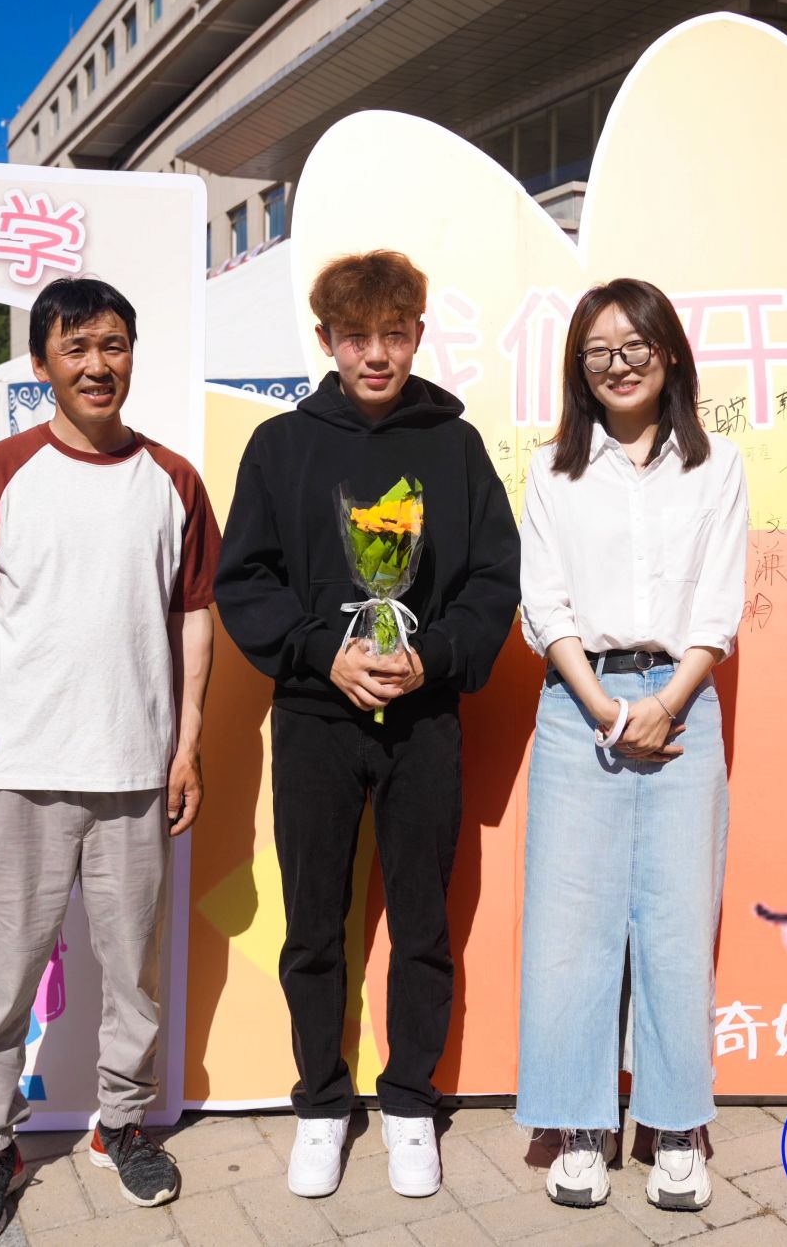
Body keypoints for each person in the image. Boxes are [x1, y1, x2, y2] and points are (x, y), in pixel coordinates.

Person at [216, 250, 520, 1201]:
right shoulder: (280, 446)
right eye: (356, 337)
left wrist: (436, 655)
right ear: (327, 341)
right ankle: (320, 1102)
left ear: (419, 335)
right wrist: (323, 652)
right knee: (313, 920)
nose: (376, 354)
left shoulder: (455, 447)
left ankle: (411, 1101)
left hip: (425, 719)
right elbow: (245, 579)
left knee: (424, 921)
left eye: (394, 334)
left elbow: (494, 578)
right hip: (315, 717)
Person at [0, 277, 219, 1243]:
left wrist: (186, 744)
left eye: (114, 345)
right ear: (42, 362)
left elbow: (194, 618)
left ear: (133, 352)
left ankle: (122, 1125)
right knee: (2, 975)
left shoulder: (174, 480)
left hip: (136, 769)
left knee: (134, 971)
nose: (98, 365)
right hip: (18, 772)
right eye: (77, 347)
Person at [514, 278, 748, 1213]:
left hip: (684, 702)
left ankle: (675, 1126)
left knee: (677, 919)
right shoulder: (552, 470)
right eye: (598, 351)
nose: (618, 364)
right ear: (580, 369)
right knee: (572, 923)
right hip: (579, 705)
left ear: (670, 352)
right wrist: (608, 709)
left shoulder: (717, 464)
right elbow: (545, 604)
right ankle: (581, 1124)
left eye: (635, 345)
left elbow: (718, 601)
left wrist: (667, 700)